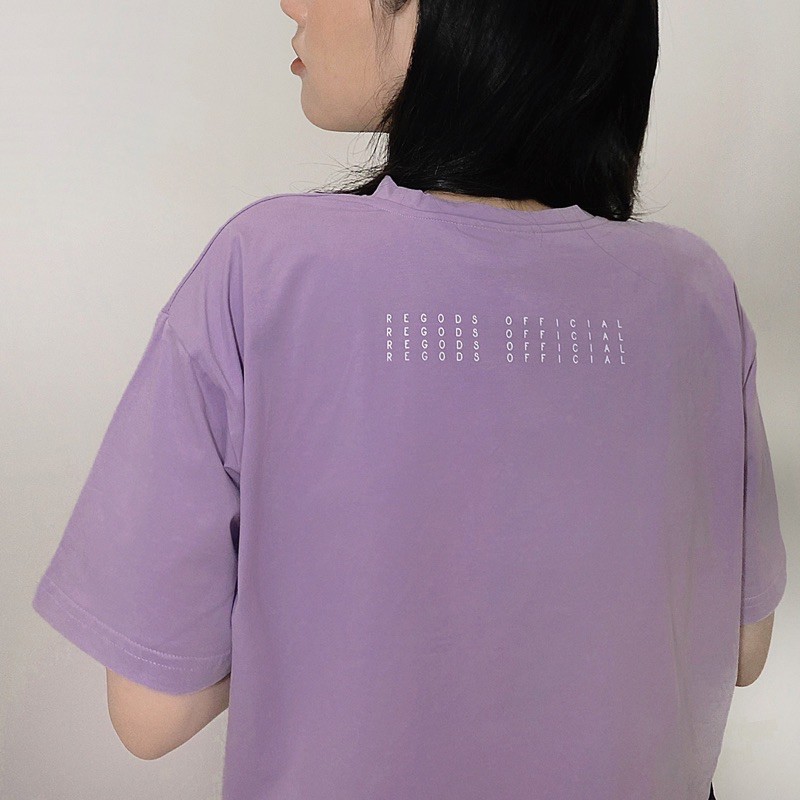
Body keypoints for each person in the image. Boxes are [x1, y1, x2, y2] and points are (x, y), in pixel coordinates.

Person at [32, 0, 786, 798]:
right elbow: (743, 651)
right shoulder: (693, 291)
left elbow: (151, 712)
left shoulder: (269, 271)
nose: (291, 3)